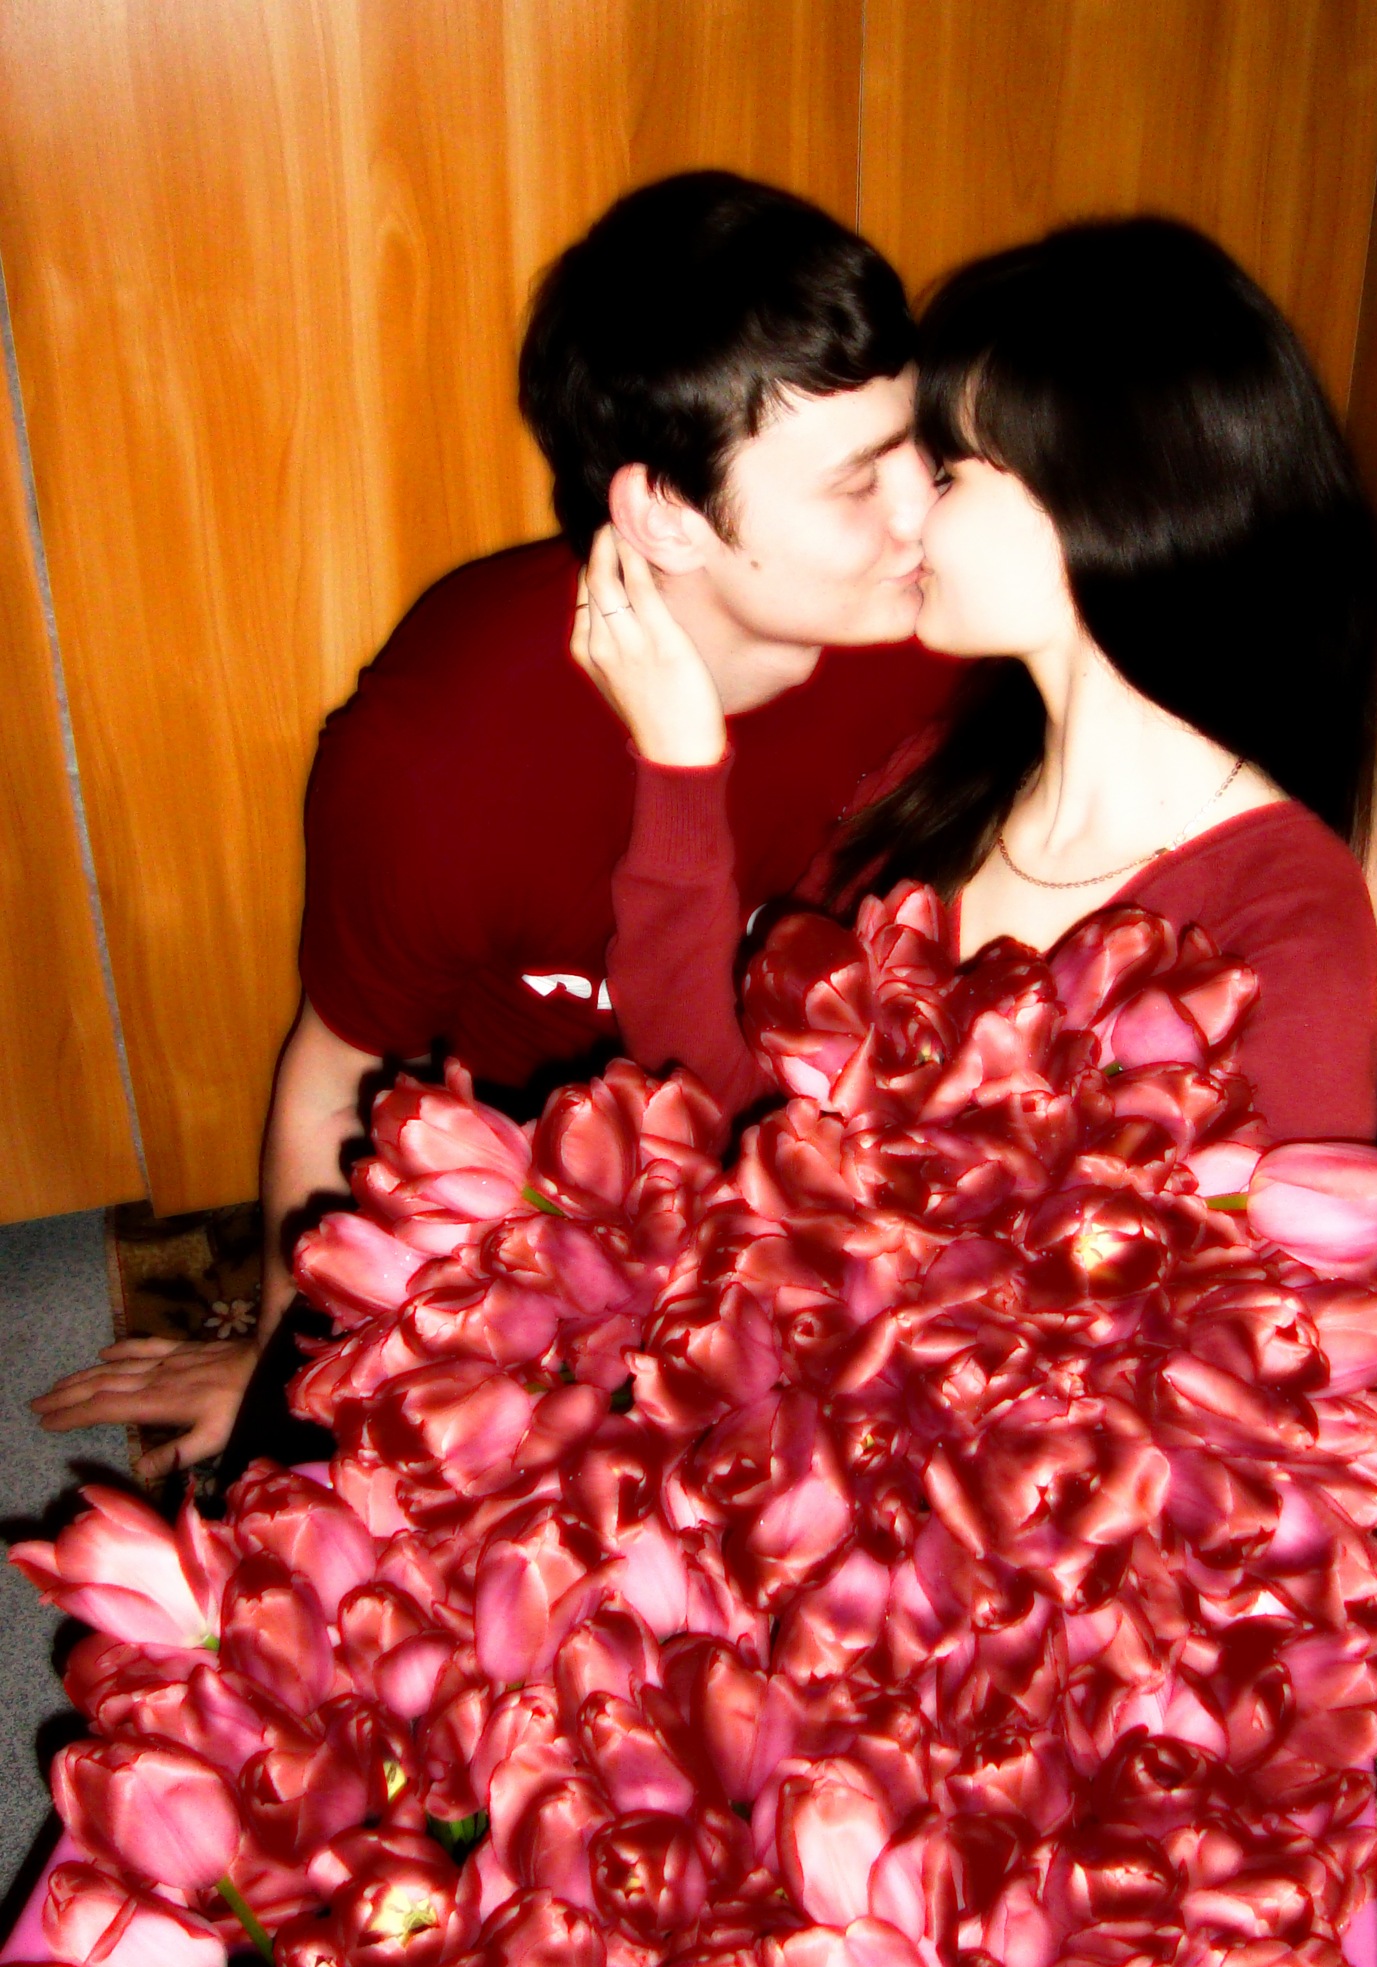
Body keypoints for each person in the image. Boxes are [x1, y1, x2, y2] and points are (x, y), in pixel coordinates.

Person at [30, 170, 957, 1478]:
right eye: (858, 481)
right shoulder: (443, 755)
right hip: (539, 1185)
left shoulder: (942, 631)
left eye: (915, 444)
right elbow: (336, 1069)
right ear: (667, 515)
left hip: (818, 1146)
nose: (924, 508)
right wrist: (291, 1349)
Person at [580, 216, 1377, 1140]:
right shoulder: (930, 781)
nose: (908, 517)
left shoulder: (1278, 904)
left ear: (1092, 505)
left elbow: (1280, 1236)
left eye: (946, 472)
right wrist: (680, 771)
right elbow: (720, 1114)